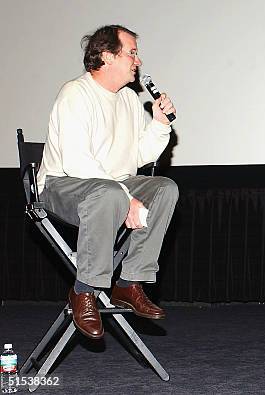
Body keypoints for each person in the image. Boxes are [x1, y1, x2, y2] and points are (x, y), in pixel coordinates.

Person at [37, 25, 179, 339]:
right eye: (131, 52)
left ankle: (129, 283)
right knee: (110, 194)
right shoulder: (76, 93)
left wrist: (159, 123)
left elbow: (140, 153)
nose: (138, 61)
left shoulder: (128, 99)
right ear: (106, 56)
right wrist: (126, 196)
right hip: (63, 185)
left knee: (164, 189)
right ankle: (84, 291)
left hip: (112, 186)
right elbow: (77, 162)